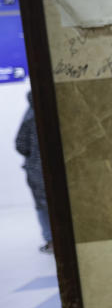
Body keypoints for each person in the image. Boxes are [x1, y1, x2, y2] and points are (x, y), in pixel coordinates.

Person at [16, 91, 52, 254]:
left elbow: (20, 144)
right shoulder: (59, 111)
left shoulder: (30, 115)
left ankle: (51, 241)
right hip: (60, 169)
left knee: (43, 205)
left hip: (38, 171)